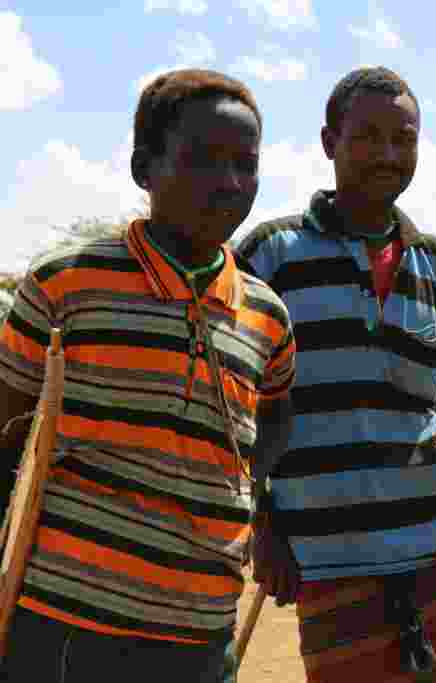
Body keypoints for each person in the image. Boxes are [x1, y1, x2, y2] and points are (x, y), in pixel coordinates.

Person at [0, 68, 296, 682]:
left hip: (201, 625)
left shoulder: (267, 316)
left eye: (246, 163)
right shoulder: (68, 284)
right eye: (202, 160)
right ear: (144, 169)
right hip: (67, 621)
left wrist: (255, 506)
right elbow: (4, 431)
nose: (230, 183)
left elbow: (272, 421)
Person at [234, 66, 436, 683]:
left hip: (433, 539)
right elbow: (230, 404)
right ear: (329, 142)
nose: (388, 154)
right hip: (325, 553)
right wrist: (263, 521)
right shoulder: (270, 254)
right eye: (368, 137)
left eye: (403, 139)